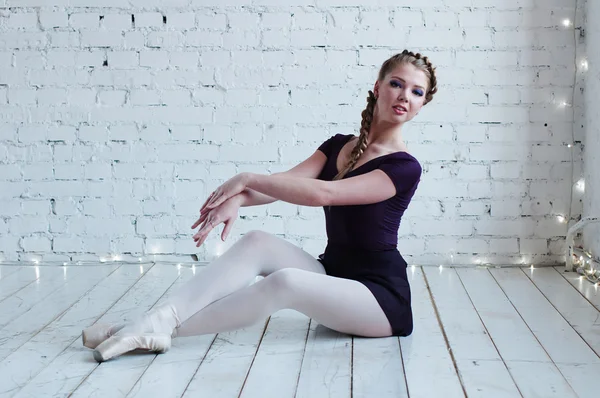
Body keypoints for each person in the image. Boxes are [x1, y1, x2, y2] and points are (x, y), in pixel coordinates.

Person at [82, 50, 438, 362]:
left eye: (416, 92)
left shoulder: (404, 168)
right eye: (396, 83)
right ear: (377, 87)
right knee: (257, 241)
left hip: (378, 300)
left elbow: (322, 195)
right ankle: (151, 322)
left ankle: (147, 331)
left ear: (422, 104)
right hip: (331, 276)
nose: (404, 95)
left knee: (286, 282)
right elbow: (284, 184)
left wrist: (247, 178)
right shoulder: (339, 145)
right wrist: (236, 198)